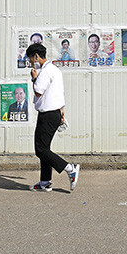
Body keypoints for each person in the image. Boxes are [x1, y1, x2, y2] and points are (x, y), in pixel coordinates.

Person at [26, 43, 80, 192]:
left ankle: (69, 168)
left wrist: (34, 78)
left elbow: (38, 91)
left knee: (40, 150)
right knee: (45, 148)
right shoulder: (55, 70)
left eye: (31, 59)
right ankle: (44, 182)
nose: (31, 62)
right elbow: (58, 92)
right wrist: (62, 111)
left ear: (36, 56)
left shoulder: (45, 71)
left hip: (48, 115)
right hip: (55, 112)